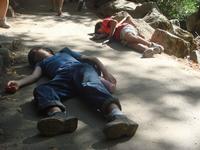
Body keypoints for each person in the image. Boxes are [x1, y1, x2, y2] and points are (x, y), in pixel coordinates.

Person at [6, 47, 138, 139]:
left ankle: (119, 117)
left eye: (36, 50)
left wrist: (105, 73)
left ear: (48, 50)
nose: (34, 53)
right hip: (62, 79)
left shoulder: (64, 51)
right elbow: (34, 77)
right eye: (33, 56)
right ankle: (58, 117)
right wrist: (19, 83)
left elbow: (93, 59)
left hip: (79, 69)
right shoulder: (40, 64)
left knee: (91, 86)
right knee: (42, 89)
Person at [91, 15, 164, 58]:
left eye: (99, 32)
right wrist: (99, 37)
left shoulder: (104, 22)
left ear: (99, 27)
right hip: (120, 37)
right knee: (132, 45)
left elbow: (114, 22)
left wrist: (109, 36)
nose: (100, 33)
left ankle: (151, 44)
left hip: (124, 29)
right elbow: (104, 35)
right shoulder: (105, 32)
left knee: (129, 37)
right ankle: (150, 51)